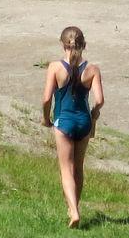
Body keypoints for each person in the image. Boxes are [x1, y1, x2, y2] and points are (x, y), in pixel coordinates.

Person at [41, 25, 104, 228]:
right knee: (79, 168)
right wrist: (94, 113)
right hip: (84, 122)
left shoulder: (55, 68)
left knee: (66, 169)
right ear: (84, 45)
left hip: (64, 122)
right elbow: (100, 99)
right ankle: (74, 206)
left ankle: (74, 212)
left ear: (63, 45)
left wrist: (45, 118)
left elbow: (46, 99)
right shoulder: (92, 69)